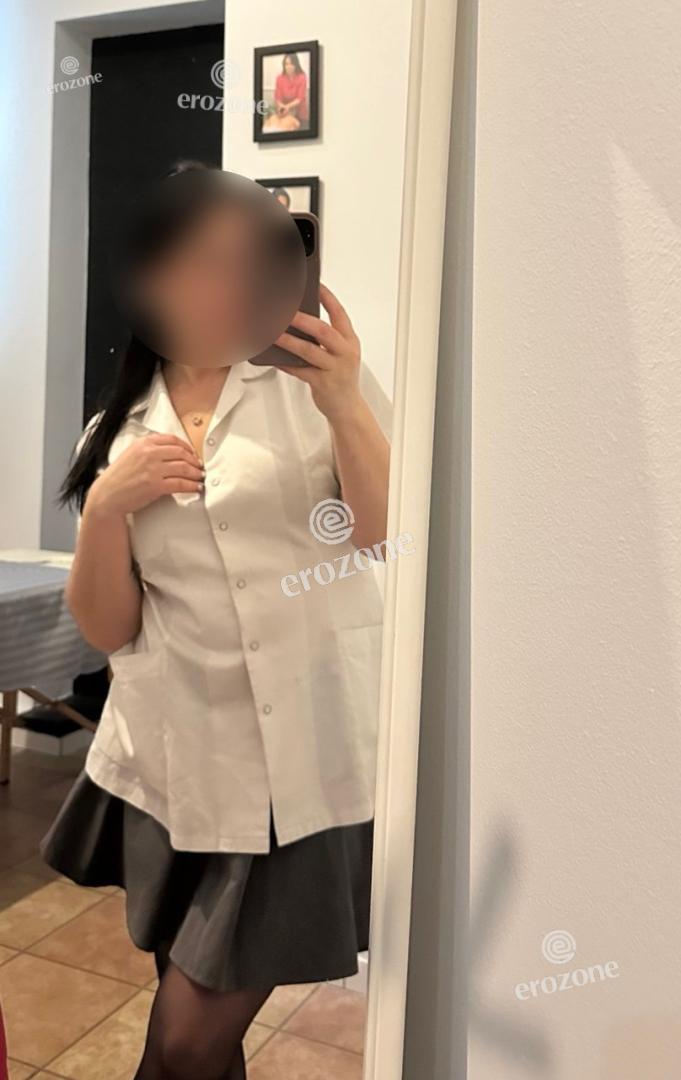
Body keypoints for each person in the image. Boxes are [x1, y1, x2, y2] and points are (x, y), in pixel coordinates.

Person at [40, 162, 391, 1080]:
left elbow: (382, 533)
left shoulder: (315, 392)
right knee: (198, 1025)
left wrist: (344, 401)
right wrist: (108, 507)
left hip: (303, 765)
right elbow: (109, 629)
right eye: (201, 263)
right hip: (175, 764)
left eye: (247, 264)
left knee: (185, 1040)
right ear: (149, 280)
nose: (227, 285)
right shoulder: (113, 431)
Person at [274, 52, 309, 128]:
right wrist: (282, 106)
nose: (289, 67)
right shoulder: (279, 78)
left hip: (300, 114)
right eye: (286, 64)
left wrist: (287, 106)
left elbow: (300, 98)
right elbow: (278, 97)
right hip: (285, 113)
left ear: (296, 64)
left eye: (291, 64)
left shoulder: (302, 77)